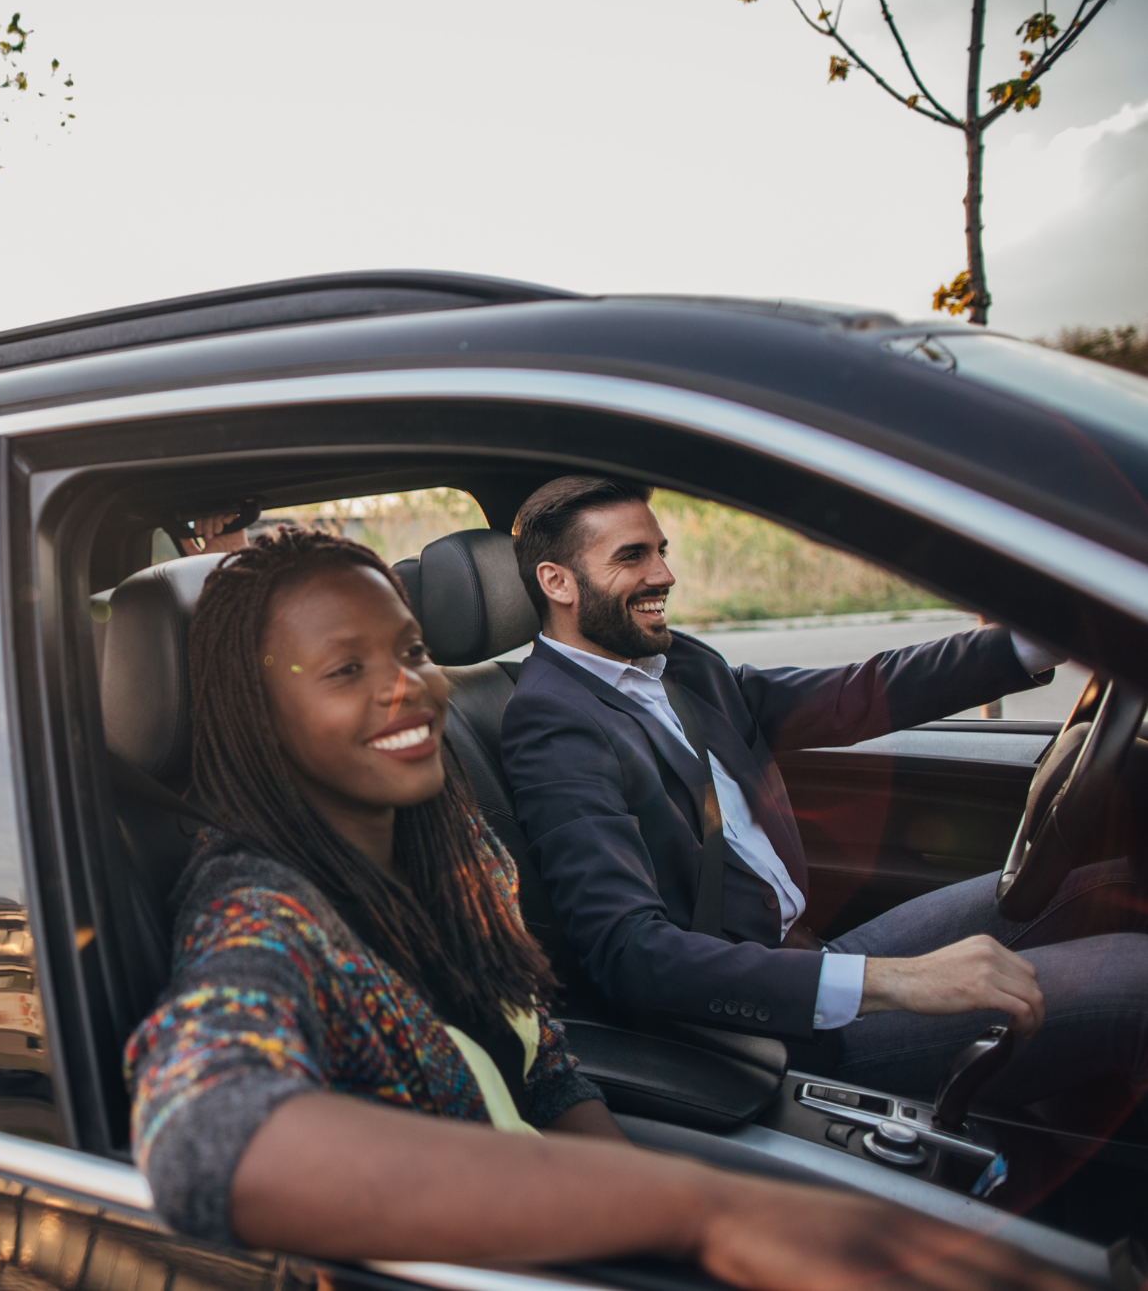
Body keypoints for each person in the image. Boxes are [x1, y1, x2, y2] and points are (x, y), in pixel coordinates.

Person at [125, 526, 1076, 1289]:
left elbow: (542, 1067)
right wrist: (703, 1212)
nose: (405, 687)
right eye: (345, 671)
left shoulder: (446, 844)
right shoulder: (259, 914)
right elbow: (208, 1138)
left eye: (411, 651)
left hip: (564, 1231)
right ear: (256, 713)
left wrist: (647, 1206)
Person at [501, 474, 1148, 1104]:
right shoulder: (552, 721)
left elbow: (852, 695)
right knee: (1138, 985)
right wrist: (897, 982)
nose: (664, 574)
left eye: (661, 551)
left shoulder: (677, 664)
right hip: (764, 1031)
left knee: (1109, 885)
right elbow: (628, 953)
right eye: (632, 556)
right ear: (557, 582)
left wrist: (1034, 645)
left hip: (814, 956)